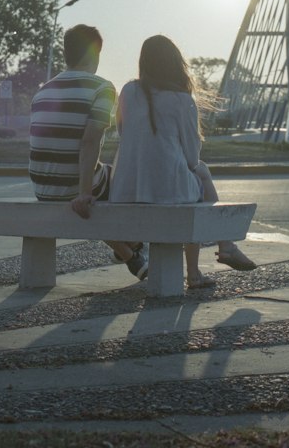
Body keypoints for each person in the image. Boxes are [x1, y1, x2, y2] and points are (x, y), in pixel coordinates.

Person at [111, 34, 256, 290]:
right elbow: (191, 157)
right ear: (175, 64)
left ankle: (215, 256)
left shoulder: (128, 91)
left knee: (194, 181)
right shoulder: (181, 100)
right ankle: (220, 250)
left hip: (125, 191)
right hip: (167, 192)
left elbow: (125, 135)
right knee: (201, 173)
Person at [29, 24, 147, 280]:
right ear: (95, 54)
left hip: (42, 187)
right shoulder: (102, 87)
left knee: (96, 181)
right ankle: (134, 243)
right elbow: (89, 142)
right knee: (121, 180)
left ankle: (130, 255)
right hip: (71, 186)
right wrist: (83, 193)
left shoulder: (43, 90)